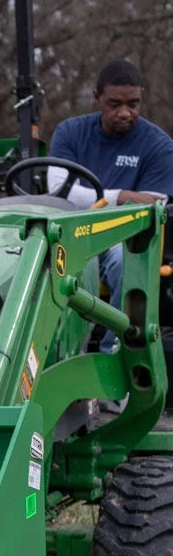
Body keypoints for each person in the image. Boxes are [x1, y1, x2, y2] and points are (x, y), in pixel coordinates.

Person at [48, 59, 173, 348]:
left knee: (125, 262)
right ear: (97, 98)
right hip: (74, 232)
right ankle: (61, 353)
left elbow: (150, 208)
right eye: (114, 104)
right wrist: (120, 196)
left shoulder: (159, 146)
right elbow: (59, 190)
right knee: (62, 264)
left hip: (123, 237)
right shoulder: (71, 133)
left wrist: (91, 198)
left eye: (134, 103)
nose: (125, 112)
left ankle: (112, 352)